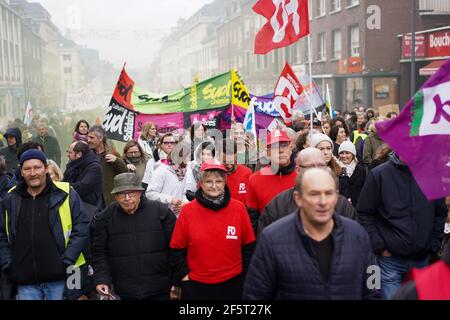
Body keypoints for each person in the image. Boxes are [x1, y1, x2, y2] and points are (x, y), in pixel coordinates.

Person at [243, 168, 379, 300]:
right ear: (298, 198)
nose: (323, 202)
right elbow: (255, 295)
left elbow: (373, 282)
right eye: (314, 194)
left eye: (329, 193)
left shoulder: (358, 235)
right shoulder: (272, 239)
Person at [357, 152, 448, 299]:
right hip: (390, 261)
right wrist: (380, 246)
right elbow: (364, 213)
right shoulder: (380, 174)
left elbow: (440, 213)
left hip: (421, 259)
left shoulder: (432, 176)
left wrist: (433, 244)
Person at [0, 149, 89, 300]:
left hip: (63, 276)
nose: (32, 173)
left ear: (46, 169)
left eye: (37, 167)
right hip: (26, 281)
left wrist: (67, 260)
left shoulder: (66, 192)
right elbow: (2, 234)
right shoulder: (11, 197)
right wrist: (8, 263)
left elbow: (82, 228)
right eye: (27, 169)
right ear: (21, 172)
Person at [170, 161, 255, 300]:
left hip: (233, 283)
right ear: (201, 184)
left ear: (224, 183)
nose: (214, 186)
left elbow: (248, 247)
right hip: (197, 285)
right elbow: (176, 248)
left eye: (219, 181)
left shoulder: (239, 208)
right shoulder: (187, 211)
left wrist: (243, 276)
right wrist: (184, 277)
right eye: (209, 181)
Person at [91, 173, 177, 300]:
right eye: (121, 194)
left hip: (159, 289)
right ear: (115, 196)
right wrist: (102, 279)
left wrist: (176, 281)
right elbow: (100, 253)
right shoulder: (106, 217)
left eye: (131, 193)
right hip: (124, 291)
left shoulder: (160, 212)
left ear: (139, 193)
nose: (127, 198)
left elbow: (176, 249)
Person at [259, 148, 356, 233]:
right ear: (298, 170)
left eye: (321, 165)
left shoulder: (342, 205)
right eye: (311, 166)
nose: (317, 170)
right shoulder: (278, 205)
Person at [246, 130, 297, 234]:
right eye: (275, 147)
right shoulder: (255, 179)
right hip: (268, 241)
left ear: (291, 148)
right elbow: (252, 219)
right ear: (268, 152)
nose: (280, 150)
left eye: (284, 145)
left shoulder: (303, 176)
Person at [87, 126, 127, 207]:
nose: (88, 140)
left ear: (100, 138)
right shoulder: (86, 155)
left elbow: (124, 173)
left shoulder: (113, 155)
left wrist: (117, 161)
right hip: (91, 199)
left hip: (107, 199)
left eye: (91, 138)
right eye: (88, 137)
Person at [146, 142, 189, 216]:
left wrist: (185, 204)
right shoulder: (161, 170)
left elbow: (182, 194)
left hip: (177, 216)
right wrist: (170, 199)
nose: (189, 159)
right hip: (161, 215)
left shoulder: (183, 172)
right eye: (187, 156)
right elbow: (150, 194)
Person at [63, 141, 103, 214]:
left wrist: (63, 186)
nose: (67, 155)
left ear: (79, 154)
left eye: (70, 152)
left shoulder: (94, 167)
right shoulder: (73, 164)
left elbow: (83, 187)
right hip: (72, 203)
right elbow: (64, 180)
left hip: (87, 207)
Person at [222, 139, 252, 205]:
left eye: (232, 161)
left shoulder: (247, 173)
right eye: (225, 162)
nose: (229, 166)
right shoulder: (211, 174)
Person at [337, 141, 367, 207]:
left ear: (353, 154)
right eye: (342, 153)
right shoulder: (335, 169)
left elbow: (364, 191)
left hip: (357, 207)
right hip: (339, 207)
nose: (344, 156)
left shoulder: (361, 170)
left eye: (347, 153)